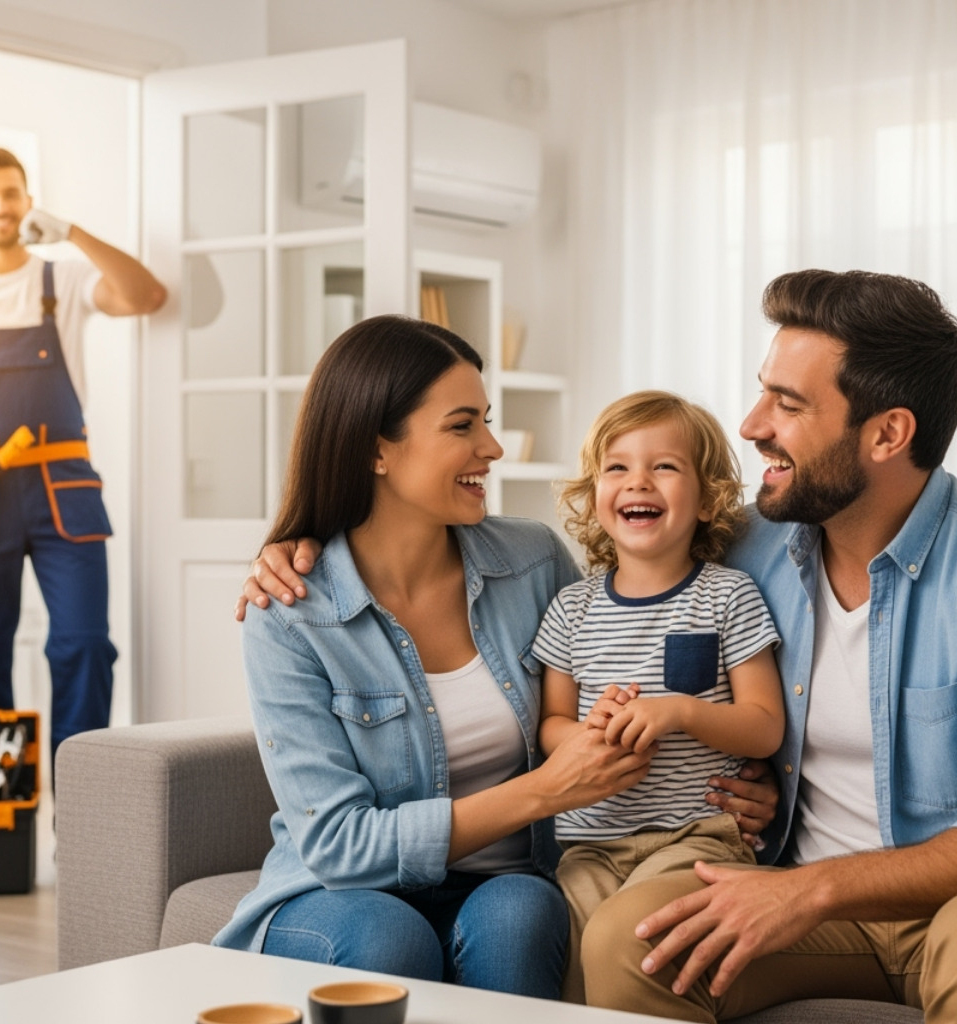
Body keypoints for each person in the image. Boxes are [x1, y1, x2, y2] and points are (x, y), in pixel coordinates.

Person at [574, 269, 957, 1024]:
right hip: (829, 923)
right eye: (764, 392)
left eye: (788, 405)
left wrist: (815, 887)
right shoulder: (749, 551)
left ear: (888, 433)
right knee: (635, 934)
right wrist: (745, 782)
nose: (753, 424)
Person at [222, 319, 781, 1000]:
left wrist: (739, 777)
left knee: (522, 915)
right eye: (462, 427)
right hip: (339, 893)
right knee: (388, 938)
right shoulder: (290, 612)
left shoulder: (532, 561)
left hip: (507, 880)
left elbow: (627, 645)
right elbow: (341, 847)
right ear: (377, 450)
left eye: (486, 422)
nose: (491, 447)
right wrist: (547, 790)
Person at [0, 147, 166, 762]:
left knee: (84, 646)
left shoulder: (62, 279)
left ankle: (82, 819)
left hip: (62, 489)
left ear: (27, 199)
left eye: (10, 193)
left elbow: (145, 294)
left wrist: (71, 233)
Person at [532, 390, 785, 1003]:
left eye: (664, 467)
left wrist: (678, 711)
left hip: (697, 836)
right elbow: (550, 726)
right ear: (596, 496)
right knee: (575, 967)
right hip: (589, 846)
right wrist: (590, 732)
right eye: (616, 468)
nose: (637, 482)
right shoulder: (571, 609)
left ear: (707, 500)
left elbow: (764, 726)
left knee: (637, 945)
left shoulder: (729, 597)